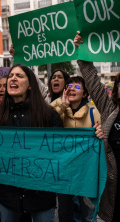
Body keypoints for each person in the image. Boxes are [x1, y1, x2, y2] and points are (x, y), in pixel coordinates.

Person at [0, 64, 64, 222]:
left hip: (41, 195)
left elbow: (61, 152)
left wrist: (93, 136)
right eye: (11, 76)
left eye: (19, 76)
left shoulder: (48, 114)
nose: (13, 78)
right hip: (8, 195)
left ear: (30, 85)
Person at [74, 32, 120, 222]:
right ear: (116, 88)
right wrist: (82, 50)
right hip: (112, 193)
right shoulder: (110, 109)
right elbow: (91, 80)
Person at [51, 76, 103, 222]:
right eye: (69, 86)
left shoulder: (94, 113)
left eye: (78, 87)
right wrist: (62, 104)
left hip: (87, 174)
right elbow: (45, 121)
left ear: (85, 94)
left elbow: (104, 138)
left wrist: (101, 133)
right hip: (64, 173)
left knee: (86, 213)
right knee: (65, 213)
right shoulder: (58, 109)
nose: (72, 88)